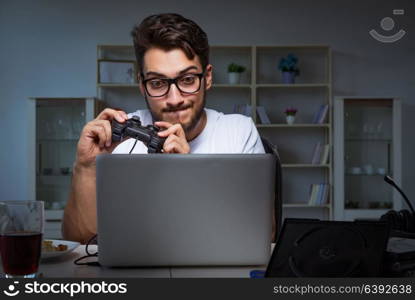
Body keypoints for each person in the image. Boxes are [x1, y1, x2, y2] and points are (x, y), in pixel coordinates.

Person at [62, 13, 265, 244]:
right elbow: (81, 242)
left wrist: (188, 172)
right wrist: (86, 168)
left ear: (207, 77)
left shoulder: (239, 132)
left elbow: (261, 235)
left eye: (188, 79)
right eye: (158, 83)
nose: (175, 98)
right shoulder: (117, 139)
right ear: (142, 84)